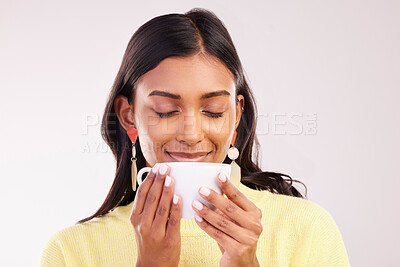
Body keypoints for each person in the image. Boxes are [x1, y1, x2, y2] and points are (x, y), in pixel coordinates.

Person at [38, 8, 350, 267]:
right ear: (128, 114)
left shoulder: (308, 230)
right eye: (164, 111)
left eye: (213, 111)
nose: (191, 134)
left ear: (236, 115)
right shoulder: (72, 252)